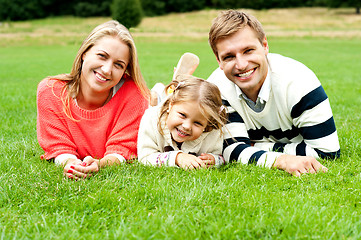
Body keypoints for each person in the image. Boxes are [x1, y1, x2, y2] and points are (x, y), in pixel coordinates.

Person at [207, 10, 340, 176]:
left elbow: (327, 153)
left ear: (264, 46)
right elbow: (232, 151)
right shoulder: (215, 88)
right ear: (218, 60)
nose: (241, 65)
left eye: (248, 50)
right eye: (229, 57)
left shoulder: (298, 81)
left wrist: (258, 147)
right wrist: (282, 160)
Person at [36, 20, 149, 180]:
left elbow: (122, 148)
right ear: (85, 53)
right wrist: (71, 163)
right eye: (102, 56)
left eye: (118, 65)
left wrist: (100, 164)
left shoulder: (134, 95)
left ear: (125, 71)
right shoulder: (50, 91)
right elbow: (58, 145)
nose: (107, 69)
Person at [138, 76, 227, 169]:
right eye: (182, 115)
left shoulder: (212, 129)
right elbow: (145, 158)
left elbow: (221, 157)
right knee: (152, 99)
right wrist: (177, 158)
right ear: (171, 106)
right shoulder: (151, 118)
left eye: (197, 123)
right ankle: (159, 92)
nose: (187, 126)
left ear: (208, 123)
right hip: (158, 106)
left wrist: (214, 160)